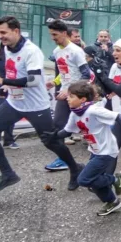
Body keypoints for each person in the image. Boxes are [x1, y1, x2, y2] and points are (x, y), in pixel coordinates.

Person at [0, 16, 84, 193]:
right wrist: (5, 85)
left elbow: (34, 80)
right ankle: (7, 174)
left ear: (16, 31)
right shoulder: (5, 48)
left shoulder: (31, 51)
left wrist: (1, 80)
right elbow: (12, 72)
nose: (0, 36)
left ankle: (75, 168)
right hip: (15, 103)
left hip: (36, 105)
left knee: (51, 142)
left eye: (3, 32)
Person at [43, 82, 121, 216]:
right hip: (95, 150)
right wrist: (54, 136)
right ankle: (112, 202)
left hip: (106, 151)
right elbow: (67, 130)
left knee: (83, 180)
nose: (67, 98)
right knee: (93, 180)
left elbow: (118, 116)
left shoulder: (94, 110)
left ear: (82, 99)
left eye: (71, 96)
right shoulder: (75, 113)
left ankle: (114, 180)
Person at [43, 20, 93, 171]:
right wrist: (54, 82)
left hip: (78, 95)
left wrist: (70, 90)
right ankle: (63, 159)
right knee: (58, 126)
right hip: (66, 95)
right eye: (51, 35)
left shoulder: (76, 51)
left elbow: (86, 74)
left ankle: (101, 155)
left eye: (55, 34)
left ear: (64, 33)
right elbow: (65, 73)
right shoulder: (57, 51)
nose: (52, 38)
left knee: (89, 126)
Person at [0, 43, 18, 149]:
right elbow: (8, 73)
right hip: (6, 86)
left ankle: (7, 140)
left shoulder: (0, 54)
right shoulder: (3, 56)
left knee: (10, 114)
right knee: (2, 114)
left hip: (11, 86)